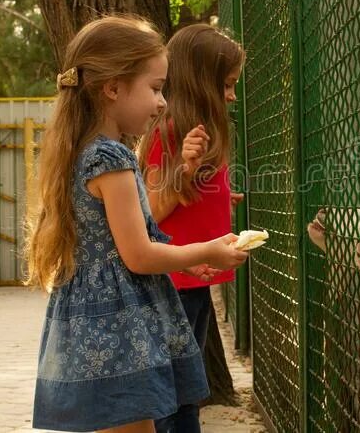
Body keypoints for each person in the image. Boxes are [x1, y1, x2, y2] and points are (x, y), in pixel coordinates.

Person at [25, 16, 248, 433]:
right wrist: (209, 250)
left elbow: (114, 245)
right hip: (119, 327)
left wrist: (182, 264)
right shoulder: (112, 160)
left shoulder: (85, 152)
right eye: (156, 88)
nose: (163, 102)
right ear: (113, 88)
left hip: (95, 321)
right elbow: (139, 253)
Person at [137, 24, 245, 433]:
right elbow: (150, 211)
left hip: (193, 283)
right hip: (174, 283)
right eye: (227, 85)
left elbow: (185, 196)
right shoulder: (169, 133)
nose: (232, 96)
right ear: (202, 81)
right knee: (173, 393)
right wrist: (184, 171)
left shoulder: (199, 134)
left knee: (187, 390)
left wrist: (217, 197)